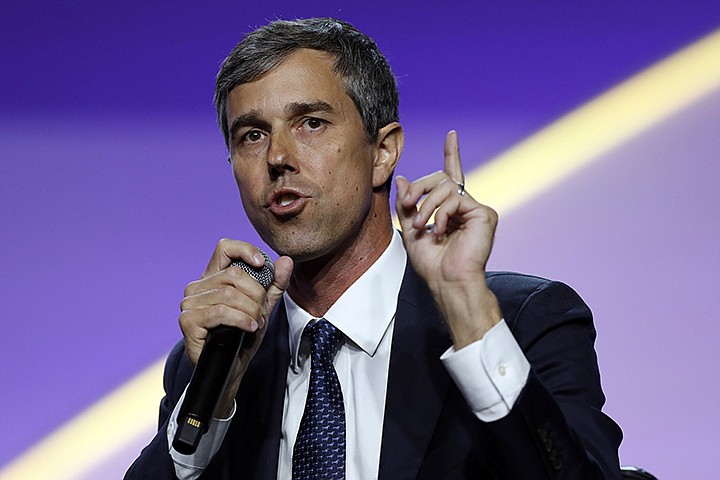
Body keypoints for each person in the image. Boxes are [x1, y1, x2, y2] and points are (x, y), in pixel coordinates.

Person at [125, 17, 623, 480]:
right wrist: (211, 401)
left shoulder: (525, 323)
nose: (277, 157)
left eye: (311, 123)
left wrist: (469, 318)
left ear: (383, 152)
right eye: (252, 135)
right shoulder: (218, 361)